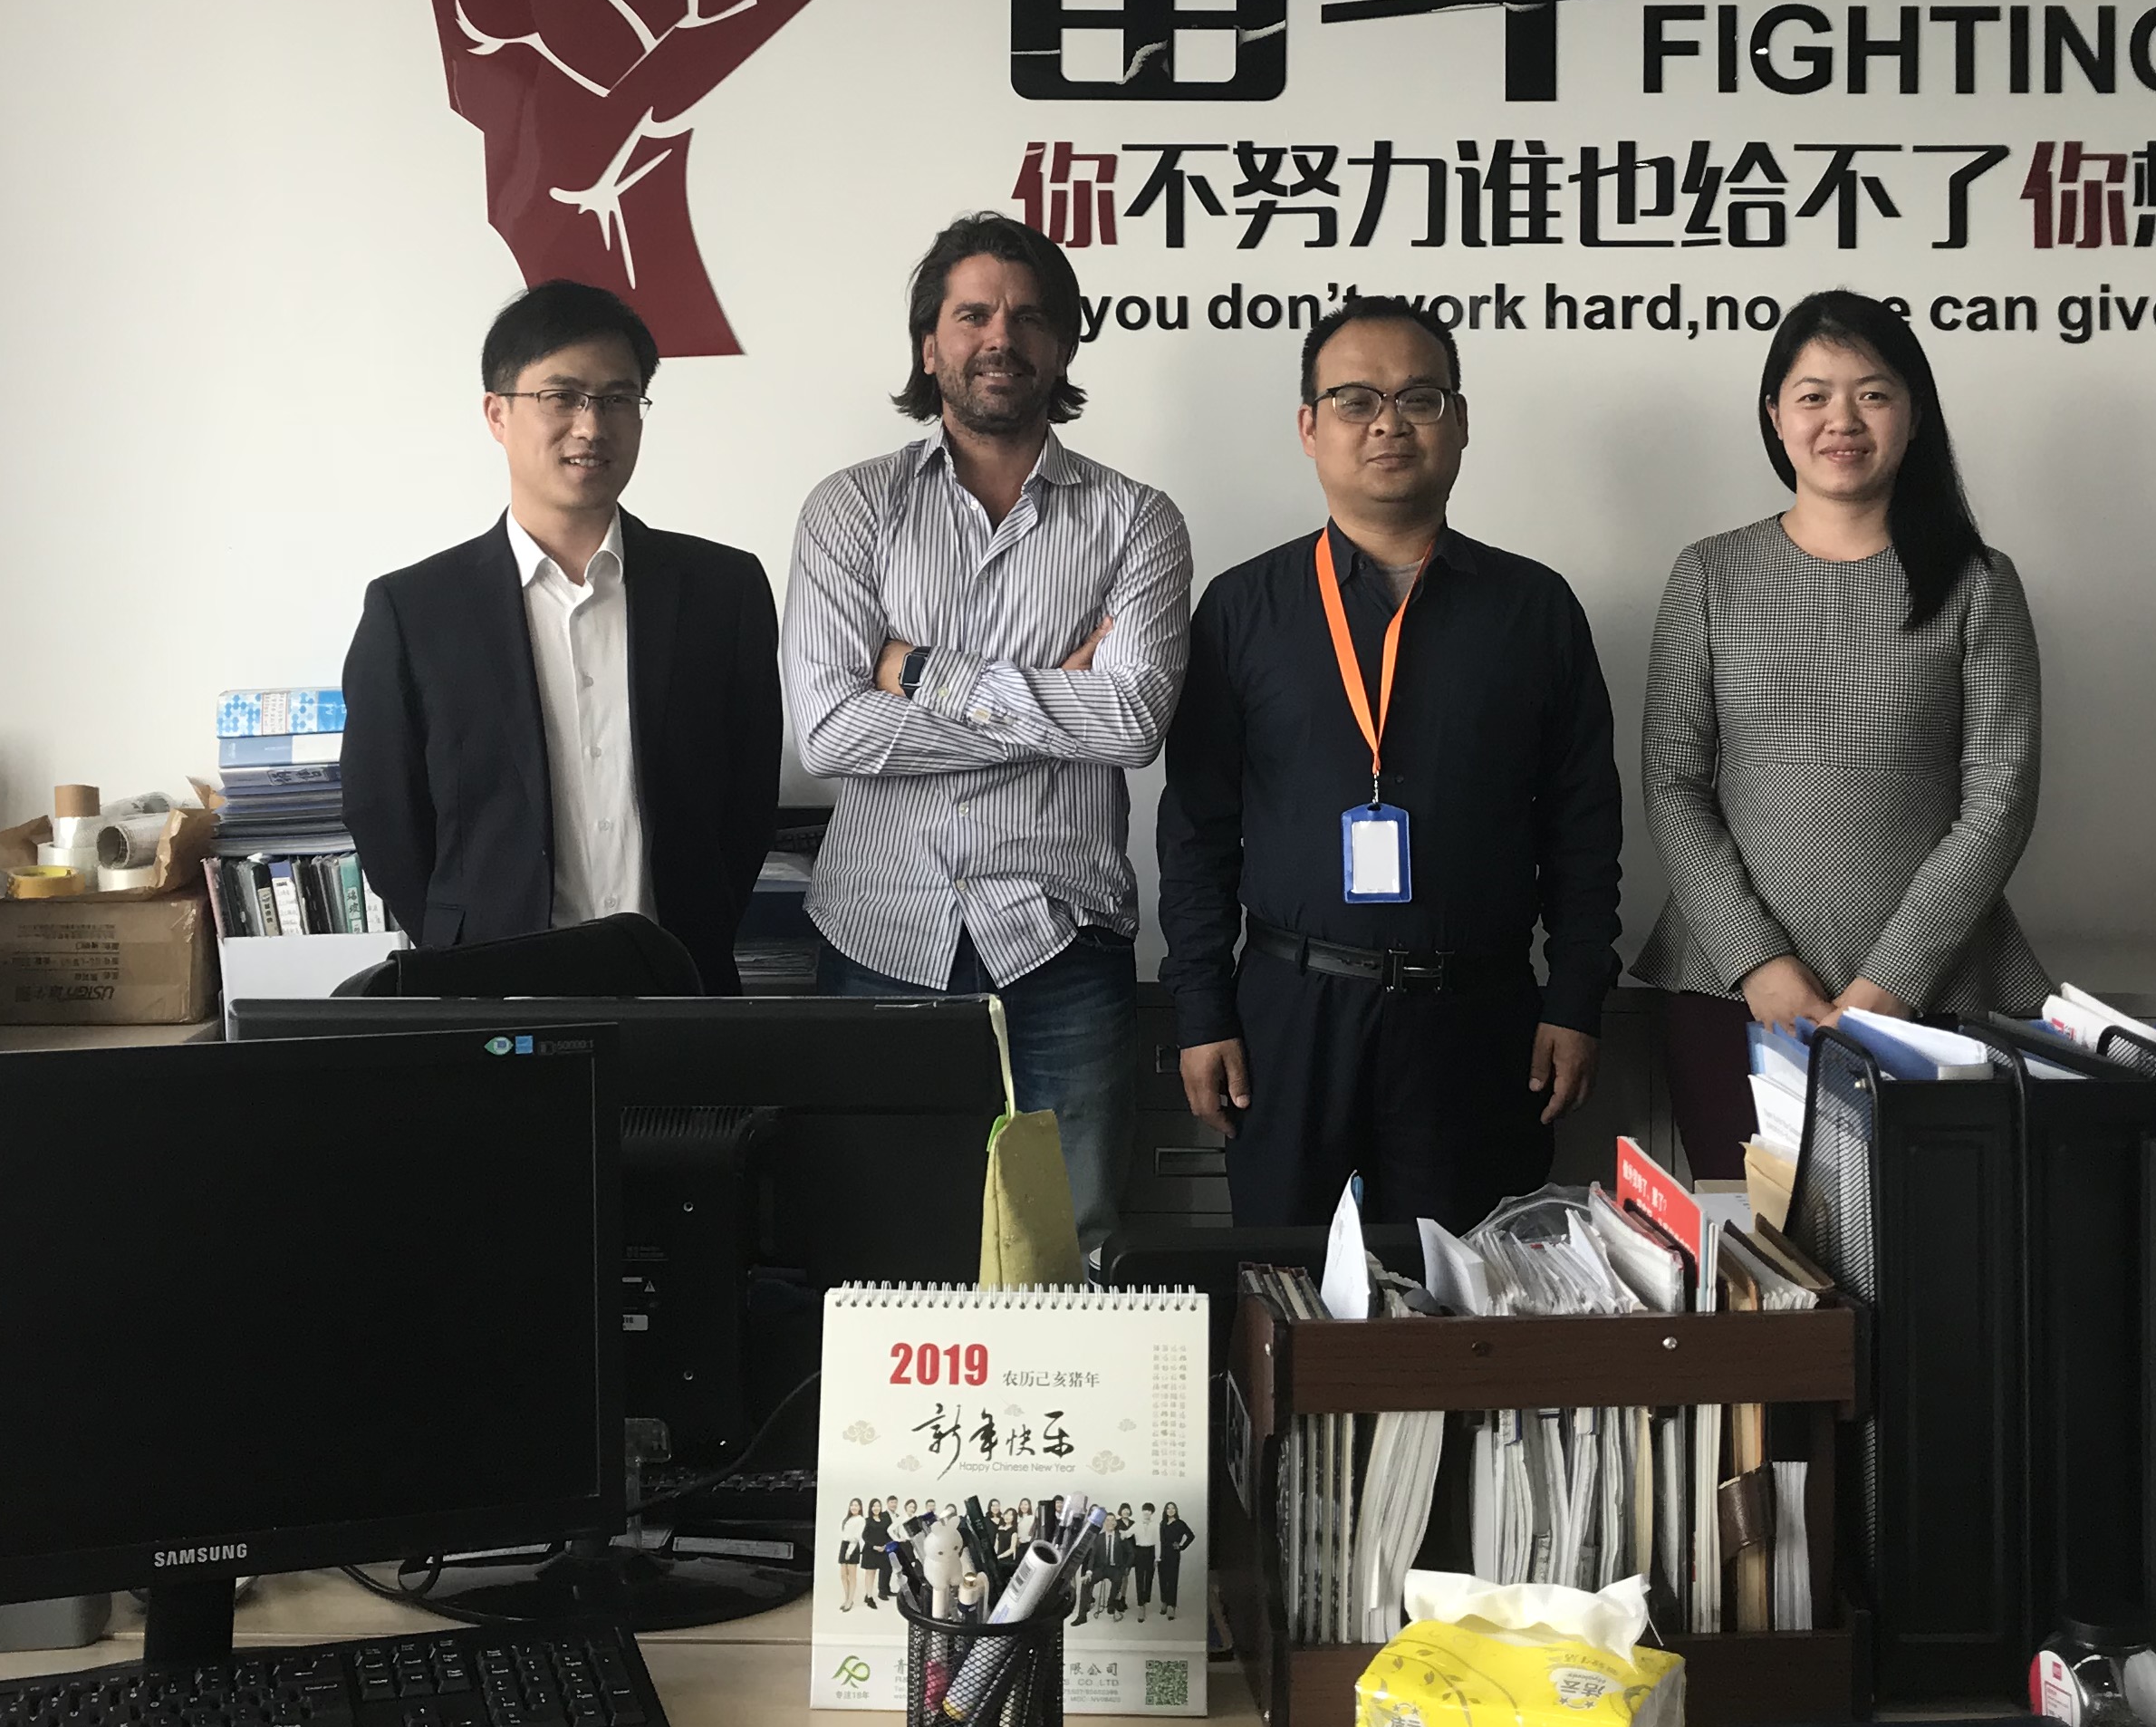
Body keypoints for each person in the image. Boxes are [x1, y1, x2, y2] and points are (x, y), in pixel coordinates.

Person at [1160, 295, 1624, 1230]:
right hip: (1290, 1018)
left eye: (1419, 398)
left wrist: (1576, 998)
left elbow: (1583, 827)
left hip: (1479, 1020)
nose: (1388, 423)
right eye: (1355, 400)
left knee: (1470, 1291)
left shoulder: (1534, 609)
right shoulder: (1244, 609)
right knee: (1283, 1286)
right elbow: (1198, 830)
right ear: (1310, 427)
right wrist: (1200, 1009)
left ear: (1460, 421)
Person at [786, 213, 1192, 1258]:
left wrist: (926, 673)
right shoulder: (850, 510)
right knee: (876, 1253)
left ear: (1062, 346)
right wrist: (1057, 709)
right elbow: (829, 731)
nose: (998, 337)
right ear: (929, 344)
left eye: (1027, 317)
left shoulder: (1136, 520)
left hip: (1063, 945)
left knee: (1068, 1255)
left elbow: (1135, 721)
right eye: (971, 315)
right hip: (878, 937)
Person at [1631, 287, 2045, 1177]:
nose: (1842, 419)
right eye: (1813, 395)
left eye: (1874, 393)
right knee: (1750, 1244)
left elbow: (2000, 799)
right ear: (1775, 416)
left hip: (1929, 994)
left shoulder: (1978, 582)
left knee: (1926, 1238)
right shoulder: (1710, 574)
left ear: (1914, 415)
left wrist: (1888, 983)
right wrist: (1759, 963)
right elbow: (1671, 780)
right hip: (1730, 992)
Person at [342, 281, 783, 989]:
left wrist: (701, 928)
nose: (591, 425)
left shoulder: (721, 592)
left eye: (617, 399)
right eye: (561, 396)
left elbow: (747, 802)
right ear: (497, 413)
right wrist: (458, 944)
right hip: (494, 994)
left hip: (680, 985)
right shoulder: (414, 610)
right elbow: (384, 814)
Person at [1154, 1500, 1196, 1624]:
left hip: (1173, 1554)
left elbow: (1191, 1536)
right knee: (1162, 1579)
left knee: (1172, 1580)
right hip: (1162, 1554)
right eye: (1168, 1508)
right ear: (1165, 1511)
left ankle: (1171, 1606)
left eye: (1173, 1508)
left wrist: (1181, 1547)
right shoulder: (1162, 1523)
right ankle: (1164, 1602)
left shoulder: (1180, 1523)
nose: (1170, 1510)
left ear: (1176, 1510)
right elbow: (1158, 1540)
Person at [836, 1499, 866, 1612]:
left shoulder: (861, 1520)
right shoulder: (847, 1519)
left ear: (860, 1508)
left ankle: (850, 1600)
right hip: (844, 1545)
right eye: (852, 1505)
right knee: (843, 1575)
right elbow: (844, 1534)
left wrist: (849, 1551)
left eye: (856, 1505)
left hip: (853, 1547)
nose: (854, 1507)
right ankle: (847, 1598)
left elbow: (856, 1537)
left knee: (852, 1576)